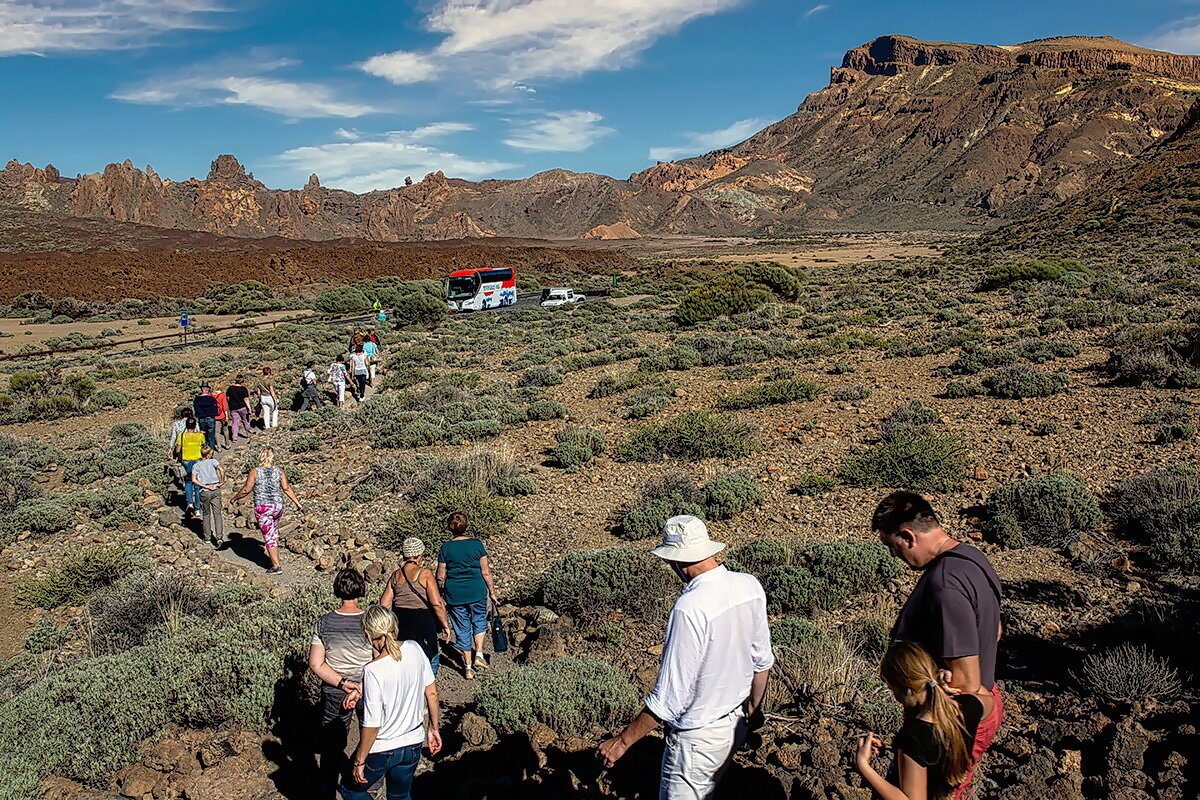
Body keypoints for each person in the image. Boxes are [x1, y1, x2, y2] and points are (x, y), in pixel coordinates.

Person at [598, 516, 774, 800]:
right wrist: (753, 710)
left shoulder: (689, 608)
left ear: (678, 562)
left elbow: (670, 698)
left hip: (697, 740)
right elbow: (762, 660)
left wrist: (622, 742)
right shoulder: (748, 585)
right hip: (734, 725)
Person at [872, 492, 1004, 797]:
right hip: (977, 706)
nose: (896, 557)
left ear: (908, 536)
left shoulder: (945, 585)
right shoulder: (972, 557)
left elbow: (968, 683)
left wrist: (923, 725)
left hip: (951, 722)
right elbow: (994, 628)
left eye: (893, 548)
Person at [855, 641, 983, 800]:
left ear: (907, 689)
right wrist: (947, 682)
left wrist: (863, 766)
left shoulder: (914, 737)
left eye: (891, 688)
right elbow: (987, 698)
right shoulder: (970, 707)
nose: (893, 695)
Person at [341, 605, 442, 800]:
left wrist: (360, 760)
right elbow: (432, 694)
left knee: (350, 790)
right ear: (394, 626)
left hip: (383, 747)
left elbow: (373, 723)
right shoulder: (414, 648)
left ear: (368, 635)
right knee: (400, 795)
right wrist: (433, 728)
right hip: (413, 740)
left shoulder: (373, 670)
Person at [308, 568, 374, 799]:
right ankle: (367, 784)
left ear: (337, 589)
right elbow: (381, 658)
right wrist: (362, 686)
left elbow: (316, 664)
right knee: (373, 736)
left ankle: (328, 790)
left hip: (336, 689)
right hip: (369, 688)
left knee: (331, 745)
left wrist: (343, 683)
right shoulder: (371, 621)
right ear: (361, 590)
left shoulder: (324, 622)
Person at [436, 513, 497, 679]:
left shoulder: (446, 547)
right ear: (466, 525)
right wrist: (492, 591)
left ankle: (468, 667)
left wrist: (440, 592)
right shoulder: (477, 545)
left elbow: (441, 575)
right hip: (476, 590)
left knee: (461, 627)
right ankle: (478, 654)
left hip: (454, 593)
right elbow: (485, 571)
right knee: (479, 620)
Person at [381, 537, 453, 675]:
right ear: (420, 555)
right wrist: (445, 626)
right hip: (423, 621)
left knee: (405, 659)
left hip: (400, 621)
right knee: (429, 657)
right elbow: (437, 603)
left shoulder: (396, 575)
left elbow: (384, 604)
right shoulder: (424, 574)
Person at [232, 447, 304, 574]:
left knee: (269, 535)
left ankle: (276, 566)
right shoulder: (279, 471)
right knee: (274, 531)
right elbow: (286, 488)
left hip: (263, 507)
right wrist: (298, 503)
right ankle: (274, 558)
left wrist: (235, 498)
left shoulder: (255, 471)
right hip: (278, 506)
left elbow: (246, 490)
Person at [190, 445, 225, 547]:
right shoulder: (213, 461)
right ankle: (219, 537)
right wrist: (221, 482)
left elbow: (194, 480)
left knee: (206, 514)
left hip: (204, 491)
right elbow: (221, 470)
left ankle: (207, 537)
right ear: (209, 454)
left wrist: (205, 486)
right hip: (215, 488)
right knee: (217, 513)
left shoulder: (196, 466)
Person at [172, 418, 206, 516]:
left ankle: (189, 503)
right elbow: (203, 447)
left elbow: (178, 450)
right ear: (195, 426)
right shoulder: (200, 436)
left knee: (188, 482)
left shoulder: (181, 436)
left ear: (186, 426)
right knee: (197, 484)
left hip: (186, 461)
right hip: (198, 461)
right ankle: (197, 508)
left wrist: (178, 457)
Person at [193, 384, 219, 450]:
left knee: (203, 436)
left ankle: (204, 450)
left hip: (201, 419)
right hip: (210, 418)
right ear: (208, 389)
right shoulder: (212, 399)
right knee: (211, 436)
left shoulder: (197, 399)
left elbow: (195, 409)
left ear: (202, 389)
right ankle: (211, 451)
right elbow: (216, 409)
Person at [226, 375, 252, 442]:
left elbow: (227, 397)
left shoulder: (230, 388)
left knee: (235, 422)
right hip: (242, 407)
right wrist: (249, 408)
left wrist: (229, 404)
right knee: (245, 421)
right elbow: (246, 399)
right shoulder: (243, 389)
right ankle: (249, 434)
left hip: (233, 408)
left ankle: (234, 437)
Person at [212, 384, 230, 450]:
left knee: (216, 432)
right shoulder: (222, 395)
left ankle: (219, 447)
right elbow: (224, 406)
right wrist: (226, 416)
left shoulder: (211, 395)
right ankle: (227, 444)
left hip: (214, 415)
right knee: (225, 429)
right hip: (222, 414)